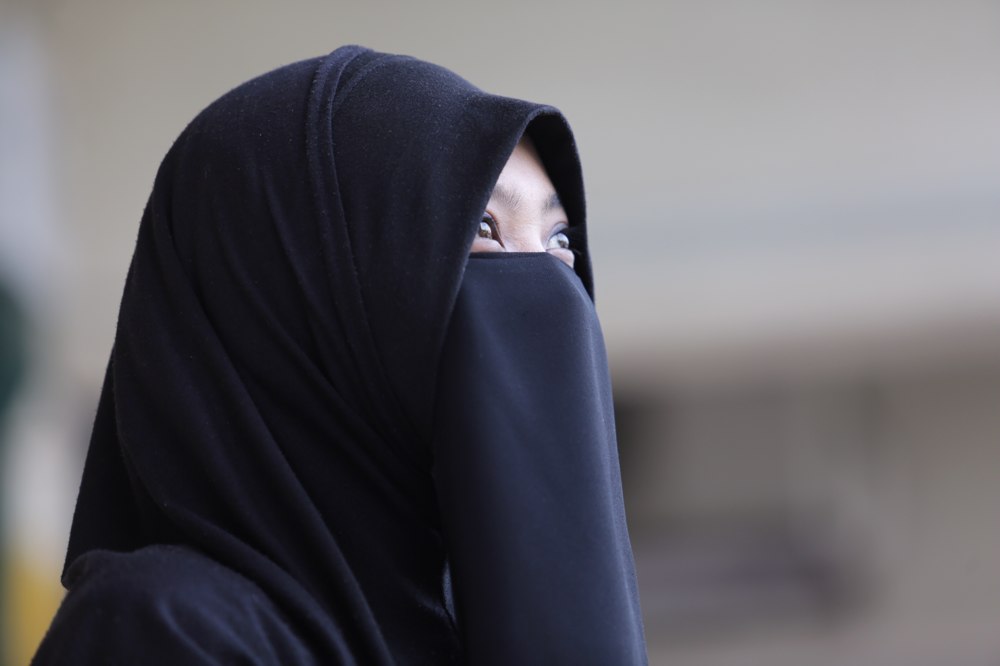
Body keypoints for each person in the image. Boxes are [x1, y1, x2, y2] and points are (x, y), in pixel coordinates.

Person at [33, 45, 647, 665]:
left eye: (558, 240)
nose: (548, 288)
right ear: (291, 300)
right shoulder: (163, 634)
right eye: (482, 230)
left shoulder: (457, 627)